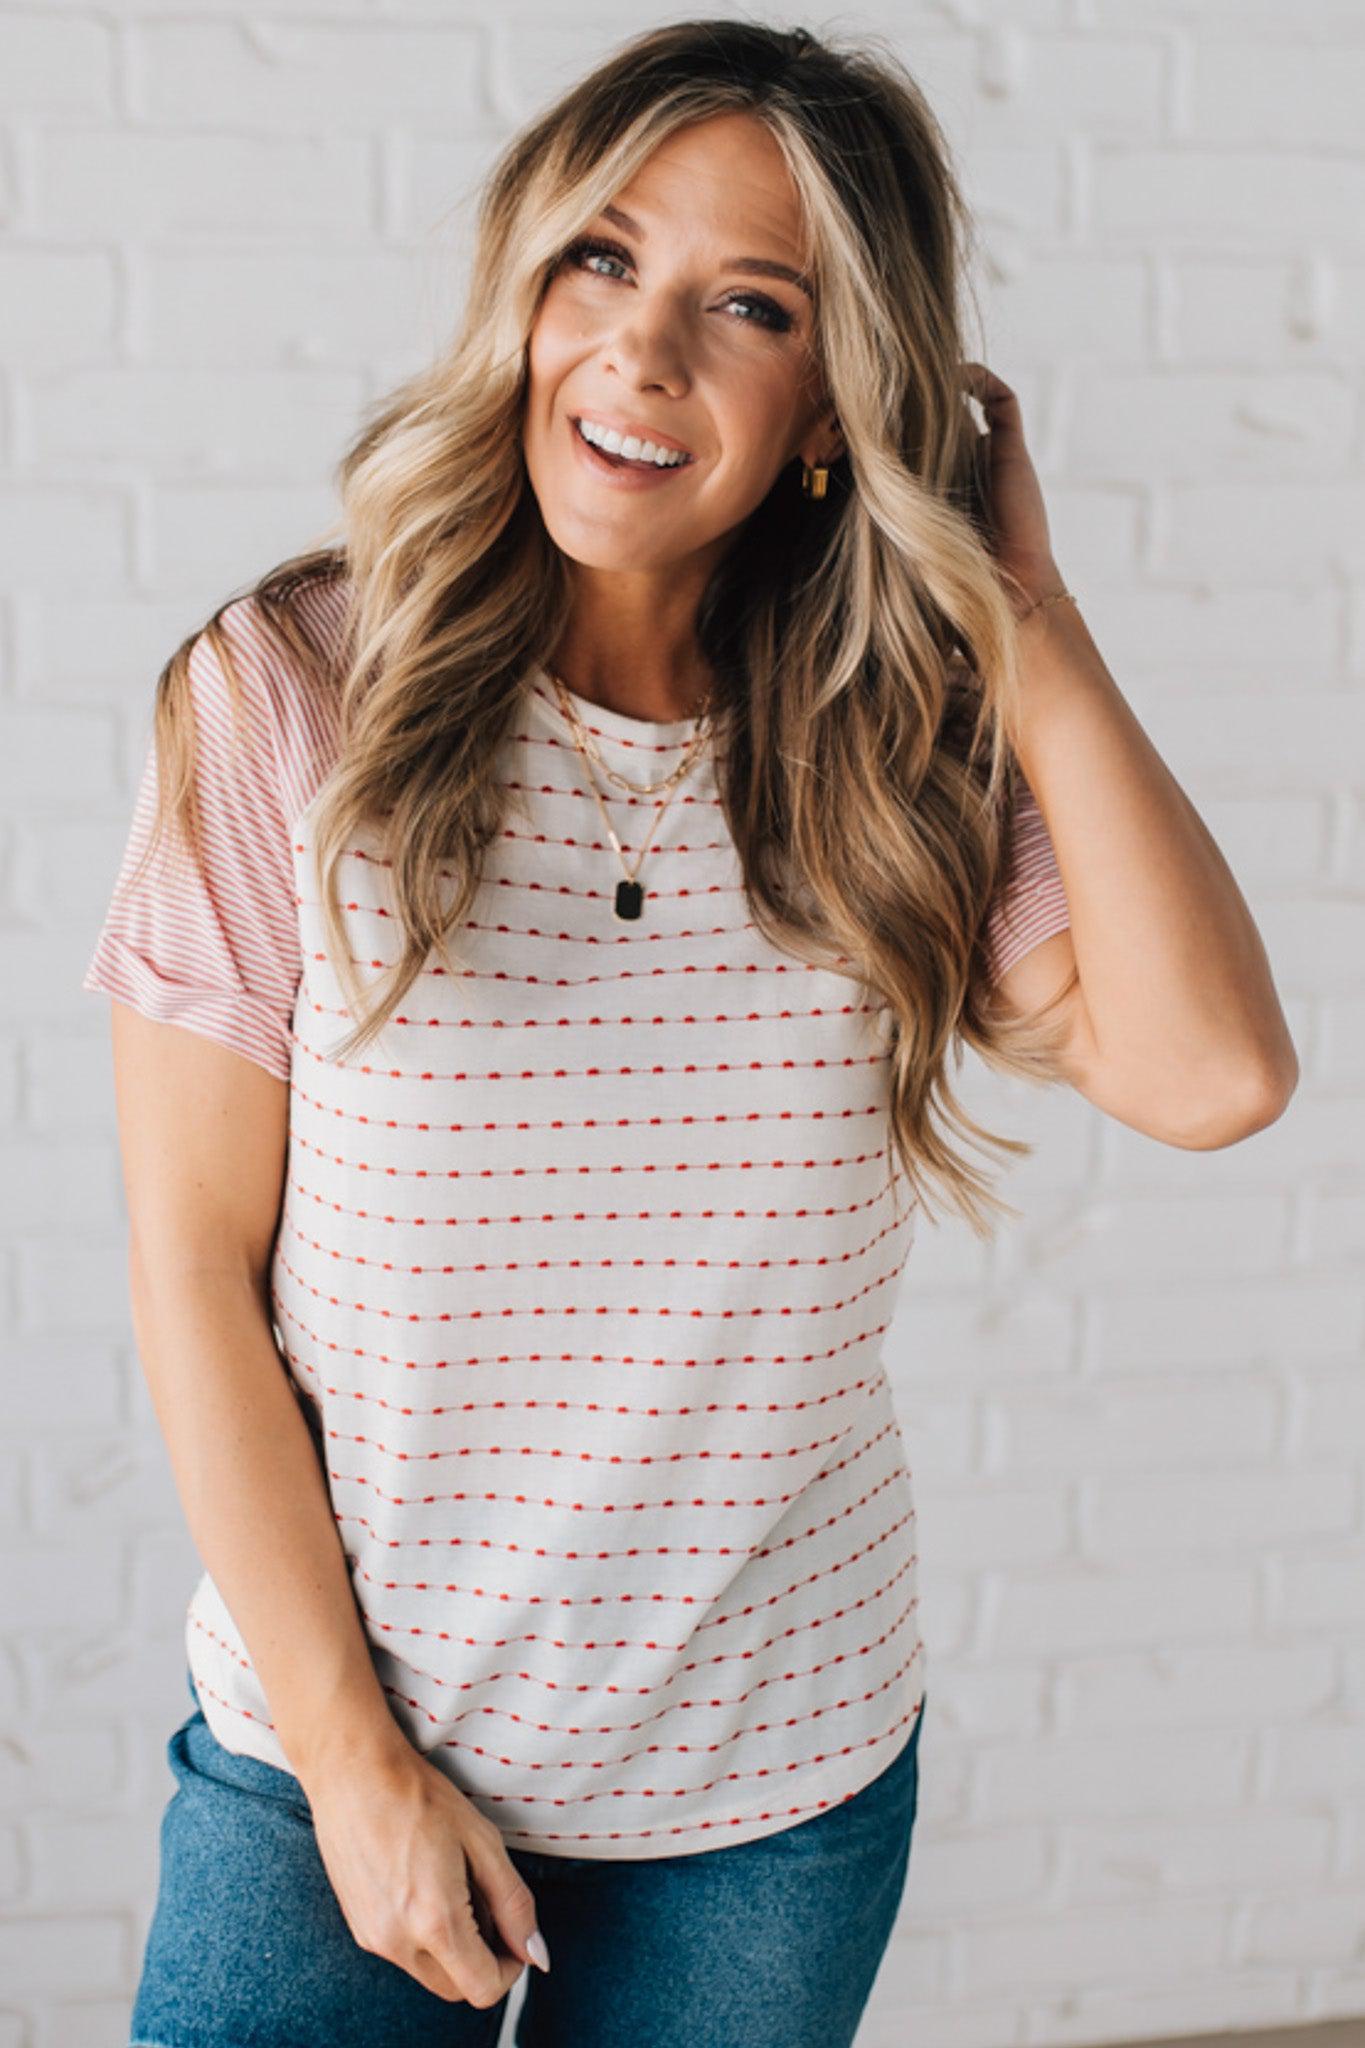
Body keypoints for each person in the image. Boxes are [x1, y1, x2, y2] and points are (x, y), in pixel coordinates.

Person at [83, 20, 1298, 2048]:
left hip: (771, 1791)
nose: (639, 356)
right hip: (335, 1751)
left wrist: (1028, 625)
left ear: (834, 397)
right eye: (598, 262)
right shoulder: (287, 698)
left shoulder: (881, 747)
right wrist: (362, 1776)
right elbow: (193, 1273)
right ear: (522, 288)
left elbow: (1210, 1075)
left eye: (746, 308)